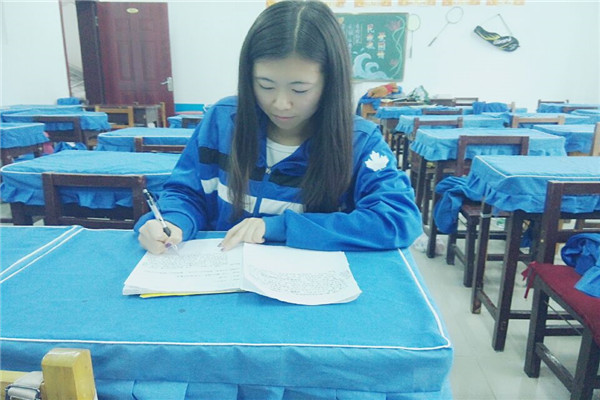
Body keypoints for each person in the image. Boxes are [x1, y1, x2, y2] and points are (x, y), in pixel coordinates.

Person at [136, 0, 421, 254]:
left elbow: (398, 220)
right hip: (221, 277)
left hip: (309, 286)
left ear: (329, 84)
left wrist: (280, 227)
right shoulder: (222, 122)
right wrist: (174, 221)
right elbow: (185, 192)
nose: (281, 104)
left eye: (300, 89)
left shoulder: (358, 141)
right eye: (265, 85)